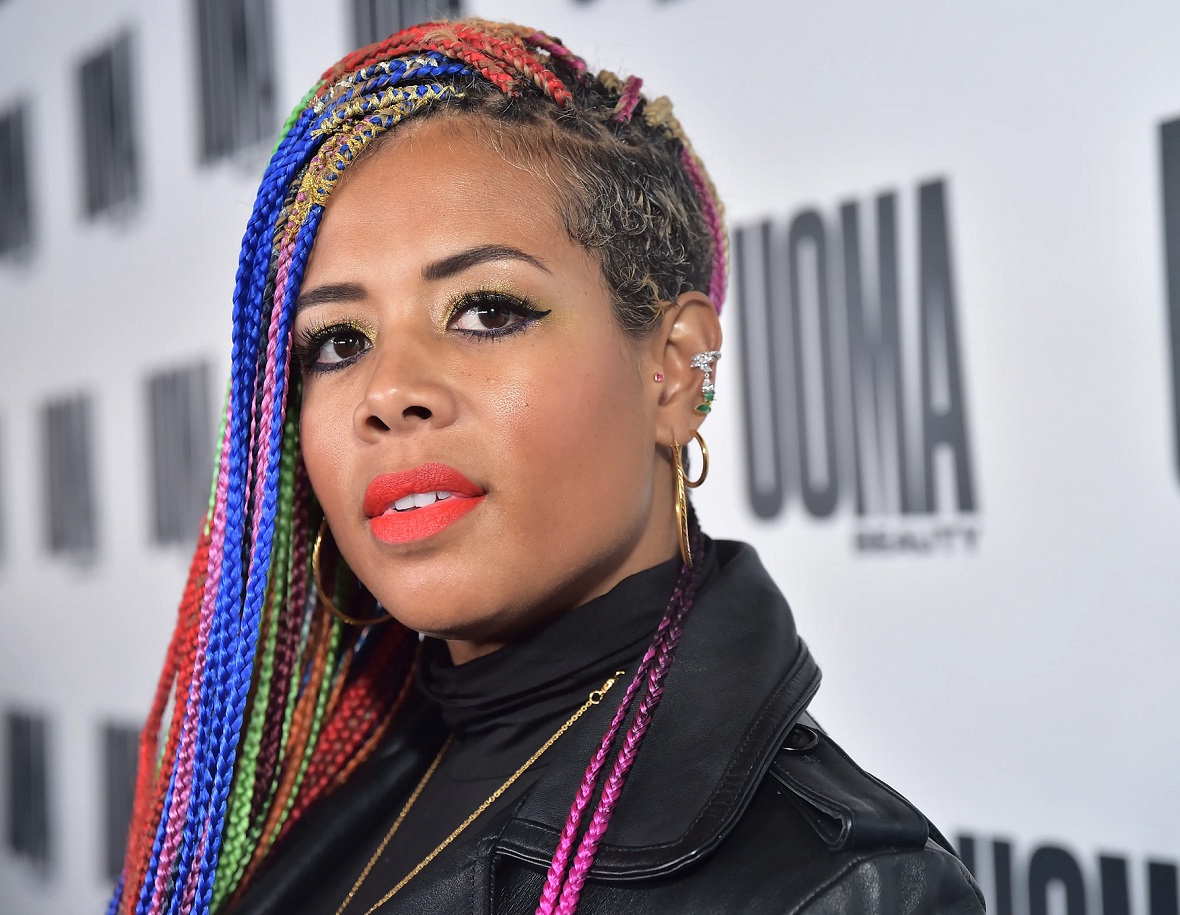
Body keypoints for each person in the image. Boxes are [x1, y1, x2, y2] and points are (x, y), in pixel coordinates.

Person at [110, 19, 986, 915]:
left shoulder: (846, 891)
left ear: (676, 369)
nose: (389, 390)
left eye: (486, 311)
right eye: (339, 340)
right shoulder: (306, 787)